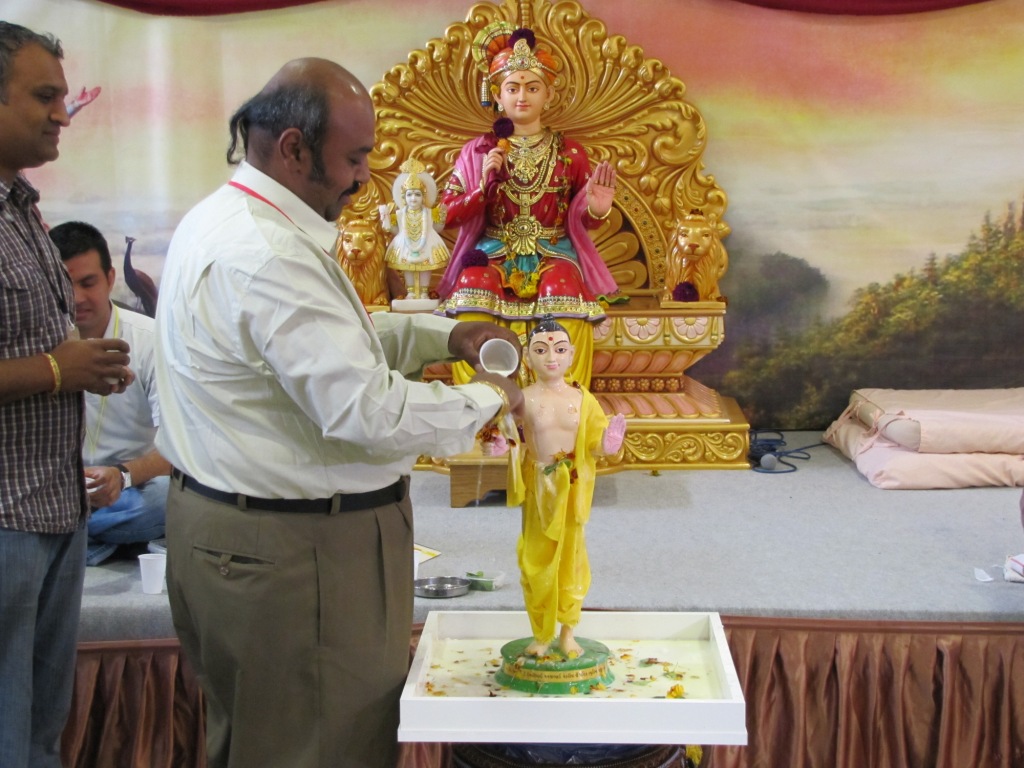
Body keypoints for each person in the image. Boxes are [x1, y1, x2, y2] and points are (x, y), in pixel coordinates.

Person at [154, 57, 524, 768]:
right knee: (324, 748)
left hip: (247, 537)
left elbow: (318, 348)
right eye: (354, 158)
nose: (363, 177)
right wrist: (490, 398)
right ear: (294, 148)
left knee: (268, 743)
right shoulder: (267, 253)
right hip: (297, 560)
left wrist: (444, 335)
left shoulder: (226, 217)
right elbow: (366, 411)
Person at [0, 22, 132, 768]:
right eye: (45, 96)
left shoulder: (22, 209)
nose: (63, 114)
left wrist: (83, 368)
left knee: (38, 734)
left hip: (55, 509)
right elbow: (46, 364)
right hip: (5, 518)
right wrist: (58, 371)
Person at [435, 25, 619, 387]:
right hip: (492, 249)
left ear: (548, 94)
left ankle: (561, 397)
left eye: (532, 88)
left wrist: (596, 209)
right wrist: (482, 188)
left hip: (553, 250)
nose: (522, 97)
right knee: (472, 287)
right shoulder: (477, 151)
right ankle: (481, 398)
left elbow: (584, 220)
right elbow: (446, 214)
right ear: (497, 95)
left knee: (561, 290)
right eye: (513, 88)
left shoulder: (570, 152)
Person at [50, 221, 170, 566]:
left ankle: (72, 539)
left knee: (169, 497)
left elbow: (179, 446)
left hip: (131, 487)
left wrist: (122, 474)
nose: (76, 298)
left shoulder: (150, 340)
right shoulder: (38, 346)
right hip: (54, 490)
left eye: (88, 283)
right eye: (65, 285)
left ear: (110, 277)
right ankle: (97, 540)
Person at [505, 316, 625, 658]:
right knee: (536, 559)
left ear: (572, 354)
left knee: (571, 560)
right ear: (527, 356)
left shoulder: (583, 400)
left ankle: (568, 631)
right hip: (539, 487)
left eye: (559, 350)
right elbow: (511, 439)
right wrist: (499, 443)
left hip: (571, 487)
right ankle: (541, 633)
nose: (551, 358)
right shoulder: (523, 399)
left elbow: (595, 442)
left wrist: (608, 444)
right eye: (541, 350)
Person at [379, 157, 450, 300]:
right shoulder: (400, 214)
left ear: (424, 197)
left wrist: (442, 217)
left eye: (417, 194)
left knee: (425, 269)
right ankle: (410, 291)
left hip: (427, 243)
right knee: (408, 269)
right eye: (409, 194)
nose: (413, 198)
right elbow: (394, 230)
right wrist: (385, 218)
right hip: (405, 244)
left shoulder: (429, 213)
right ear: (403, 197)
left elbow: (437, 228)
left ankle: (424, 292)